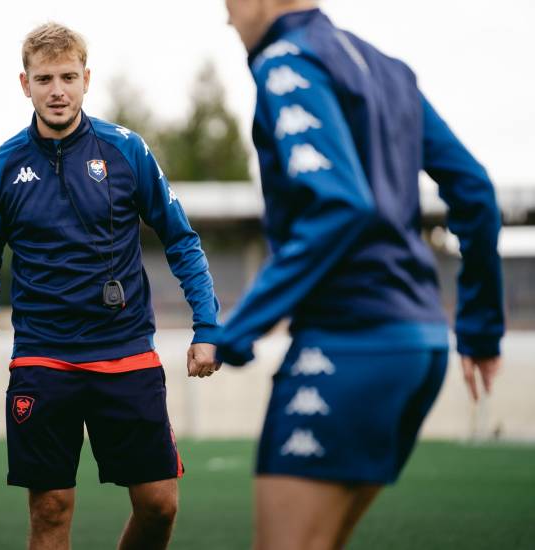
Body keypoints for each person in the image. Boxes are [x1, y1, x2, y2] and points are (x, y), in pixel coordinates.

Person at [216, 1, 505, 548]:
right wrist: (483, 328)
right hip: (419, 348)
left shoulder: (286, 61)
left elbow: (341, 205)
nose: (227, 18)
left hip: (349, 348)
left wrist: (238, 330)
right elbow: (476, 192)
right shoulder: (388, 67)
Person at [0, 22, 221, 550]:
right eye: (45, 78)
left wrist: (208, 324)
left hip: (125, 354)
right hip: (43, 359)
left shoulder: (127, 150)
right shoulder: (0, 167)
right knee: (50, 511)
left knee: (159, 505)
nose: (58, 90)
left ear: (86, 79)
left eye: (69, 77)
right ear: (24, 83)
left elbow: (181, 239)